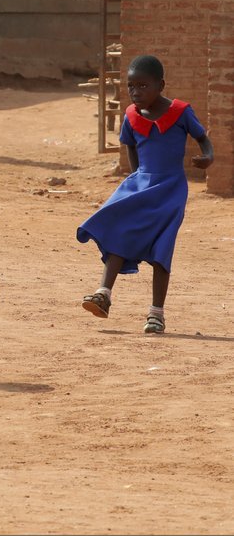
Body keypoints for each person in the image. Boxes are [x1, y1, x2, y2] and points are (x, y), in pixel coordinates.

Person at [78, 55, 214, 334]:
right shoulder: (130, 116)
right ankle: (103, 294)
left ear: (160, 85)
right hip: (141, 184)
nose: (135, 92)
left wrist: (208, 156)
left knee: (162, 249)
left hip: (171, 189)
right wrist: (138, 177)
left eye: (143, 86)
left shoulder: (181, 112)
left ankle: (156, 314)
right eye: (131, 86)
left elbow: (203, 138)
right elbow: (131, 147)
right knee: (119, 230)